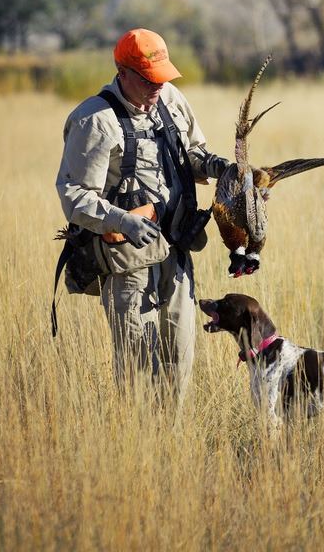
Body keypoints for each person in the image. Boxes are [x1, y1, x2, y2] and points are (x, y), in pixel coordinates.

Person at [56, 28, 229, 402]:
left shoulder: (170, 98)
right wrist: (123, 221)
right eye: (149, 79)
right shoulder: (94, 120)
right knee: (137, 369)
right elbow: (74, 195)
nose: (158, 86)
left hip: (177, 252)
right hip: (128, 263)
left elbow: (193, 154)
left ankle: (171, 436)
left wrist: (221, 168)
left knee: (178, 361)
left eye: (163, 77)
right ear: (123, 72)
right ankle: (138, 433)